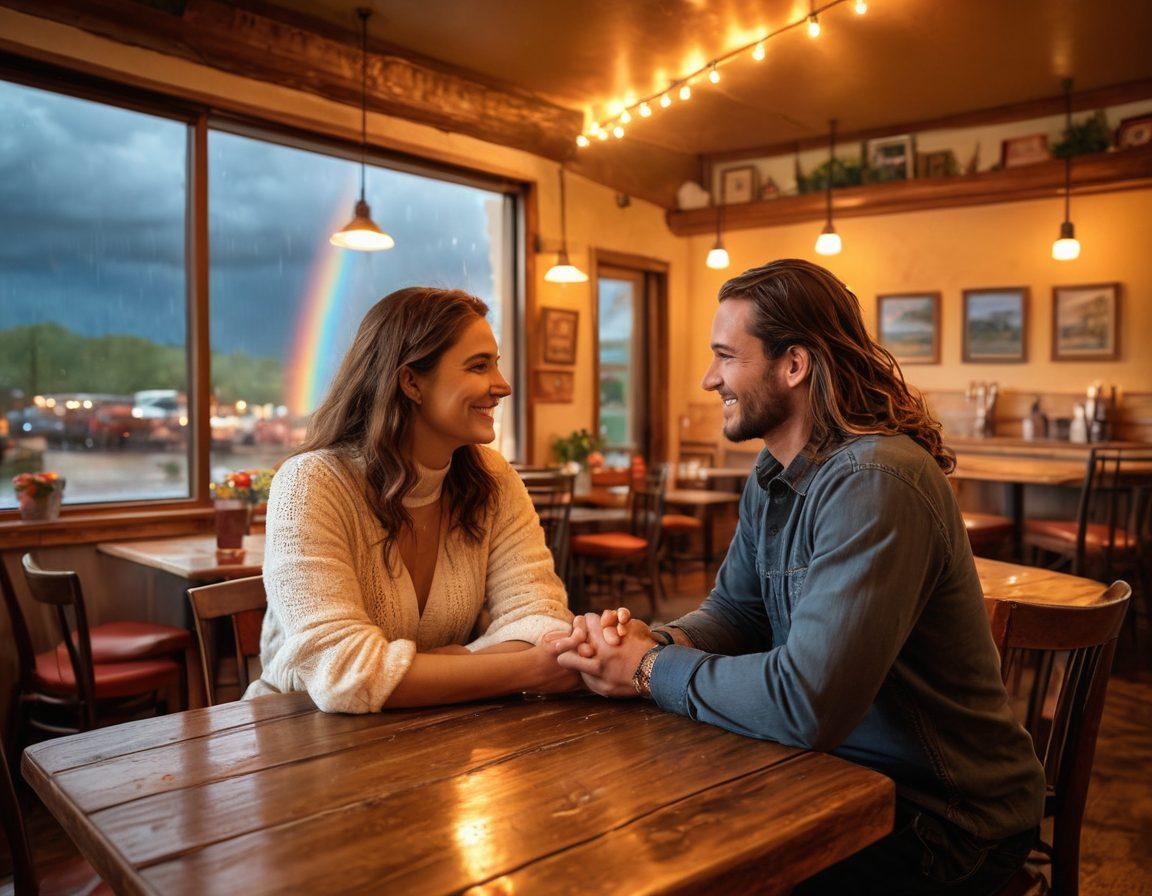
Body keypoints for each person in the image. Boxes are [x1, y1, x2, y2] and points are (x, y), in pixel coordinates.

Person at [550, 259, 1045, 895]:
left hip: (943, 818)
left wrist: (646, 671)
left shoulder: (876, 481)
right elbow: (737, 613)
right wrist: (650, 639)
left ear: (794, 365)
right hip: (835, 776)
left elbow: (807, 703)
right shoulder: (775, 472)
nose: (709, 379)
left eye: (726, 356)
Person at [246, 287, 577, 713]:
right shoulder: (310, 483)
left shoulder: (495, 480)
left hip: (440, 728)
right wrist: (530, 669)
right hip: (298, 738)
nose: (503, 386)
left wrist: (427, 668)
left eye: (496, 365)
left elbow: (544, 619)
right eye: (479, 366)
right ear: (411, 382)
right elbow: (343, 674)